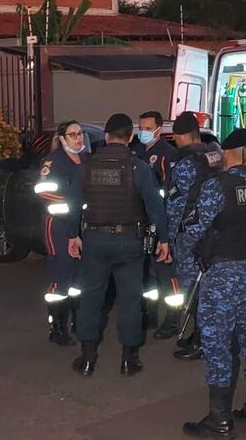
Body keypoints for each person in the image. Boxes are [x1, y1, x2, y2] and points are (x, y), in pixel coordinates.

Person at [181, 129, 246, 440]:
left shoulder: (218, 185)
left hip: (223, 274)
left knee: (217, 342)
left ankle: (219, 418)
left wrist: (187, 248)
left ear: (225, 153)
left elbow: (195, 226)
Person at [72, 113, 171, 378]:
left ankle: (87, 358)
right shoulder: (138, 167)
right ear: (130, 137)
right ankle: (129, 359)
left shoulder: (87, 166)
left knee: (91, 298)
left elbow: (74, 205)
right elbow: (155, 207)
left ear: (106, 136)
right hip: (129, 242)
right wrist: (163, 240)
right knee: (130, 299)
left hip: (94, 239)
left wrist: (73, 236)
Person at [166, 111, 223, 360]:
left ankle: (202, 340)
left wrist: (169, 237)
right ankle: (201, 335)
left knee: (195, 290)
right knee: (208, 286)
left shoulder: (186, 163)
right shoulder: (214, 155)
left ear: (181, 136)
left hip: (192, 233)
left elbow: (177, 205)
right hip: (216, 231)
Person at [34, 120, 88, 347]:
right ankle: (57, 327)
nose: (78, 138)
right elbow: (42, 191)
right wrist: (72, 202)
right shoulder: (53, 162)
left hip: (81, 225)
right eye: (73, 134)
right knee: (62, 274)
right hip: (58, 225)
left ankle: (77, 320)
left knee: (79, 276)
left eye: (80, 133)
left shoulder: (85, 160)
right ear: (63, 139)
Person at [134, 110, 181, 339]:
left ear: (158, 129)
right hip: (142, 222)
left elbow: (168, 191)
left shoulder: (167, 155)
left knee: (165, 271)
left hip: (161, 220)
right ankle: (150, 313)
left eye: (146, 128)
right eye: (140, 128)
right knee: (147, 274)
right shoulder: (138, 153)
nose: (142, 132)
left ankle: (173, 318)